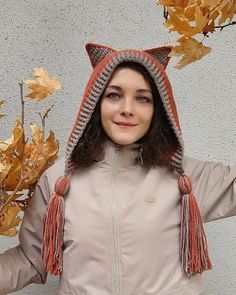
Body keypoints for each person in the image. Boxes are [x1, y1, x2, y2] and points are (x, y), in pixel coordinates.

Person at [0, 42, 235, 295]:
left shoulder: (185, 177)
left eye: (142, 98)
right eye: (114, 95)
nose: (127, 109)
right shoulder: (58, 181)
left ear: (158, 110)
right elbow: (29, 260)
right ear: (95, 104)